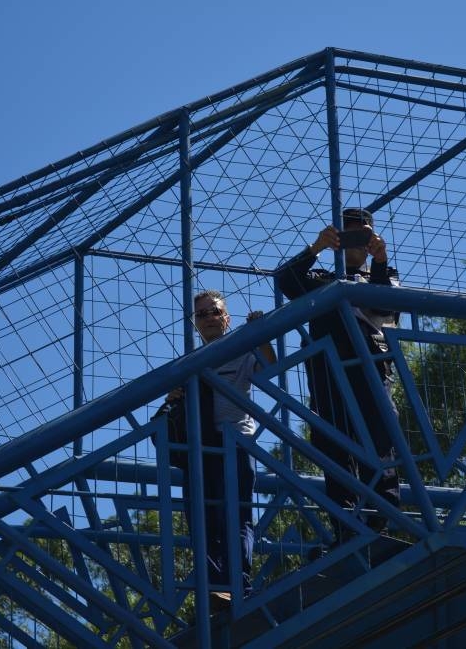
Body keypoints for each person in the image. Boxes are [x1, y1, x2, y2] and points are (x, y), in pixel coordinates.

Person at [275, 208, 401, 546]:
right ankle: (346, 526)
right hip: (327, 375)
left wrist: (378, 260)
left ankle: (380, 525)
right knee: (334, 447)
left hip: (371, 369)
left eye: (364, 233)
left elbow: (385, 308)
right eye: (349, 233)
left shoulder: (385, 274)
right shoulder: (320, 279)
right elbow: (285, 279)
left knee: (379, 444)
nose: (357, 240)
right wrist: (315, 248)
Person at [154, 289, 276, 608]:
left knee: (235, 514)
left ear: (227, 317)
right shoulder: (188, 364)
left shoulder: (240, 348)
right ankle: (213, 584)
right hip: (200, 448)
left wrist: (261, 333)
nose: (209, 318)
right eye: (202, 314)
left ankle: (238, 582)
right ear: (195, 323)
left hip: (235, 441)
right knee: (202, 517)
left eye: (214, 312)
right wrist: (172, 398)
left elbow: (270, 369)